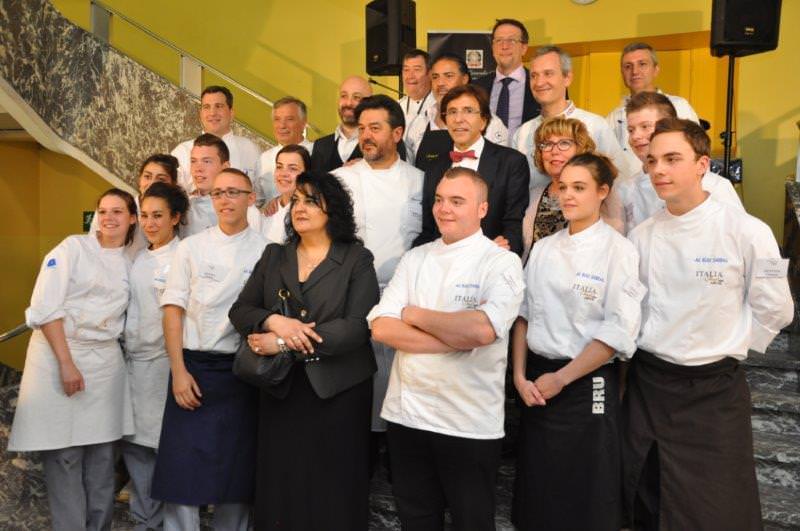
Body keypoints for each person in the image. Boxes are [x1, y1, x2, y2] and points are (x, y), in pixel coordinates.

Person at [623, 118, 793, 530]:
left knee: (718, 503)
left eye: (672, 159)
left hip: (714, 390)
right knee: (650, 492)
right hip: (651, 385)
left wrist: (729, 341)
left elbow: (777, 308)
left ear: (702, 165)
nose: (659, 169)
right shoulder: (641, 236)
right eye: (652, 161)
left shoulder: (748, 230)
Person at [369, 168, 524, 530]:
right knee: (416, 519)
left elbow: (482, 330)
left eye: (457, 201)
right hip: (407, 415)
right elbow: (381, 327)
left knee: (473, 522)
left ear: (482, 209)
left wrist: (414, 314)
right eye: (439, 200)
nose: (444, 209)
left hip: (468, 423)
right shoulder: (416, 258)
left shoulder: (501, 262)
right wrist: (454, 339)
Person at [229, 172, 380, 530]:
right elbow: (241, 310)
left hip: (338, 389)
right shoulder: (274, 255)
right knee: (282, 481)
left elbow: (356, 327)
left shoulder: (357, 258)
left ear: (333, 209)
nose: (300, 207)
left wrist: (283, 342)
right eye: (296, 200)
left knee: (333, 485)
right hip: (281, 388)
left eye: (311, 200)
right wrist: (273, 321)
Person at [511, 153, 644, 531]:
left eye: (579, 188)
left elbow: (618, 330)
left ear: (602, 192)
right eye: (563, 187)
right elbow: (523, 315)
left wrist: (563, 378)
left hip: (587, 381)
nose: (567, 195)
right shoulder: (544, 248)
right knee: (540, 487)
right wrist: (519, 377)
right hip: (537, 383)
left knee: (588, 487)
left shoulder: (619, 251)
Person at [8, 188, 138, 531]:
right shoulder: (72, 249)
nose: (108, 218)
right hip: (58, 354)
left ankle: (99, 526)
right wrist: (67, 364)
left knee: (102, 456)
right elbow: (46, 308)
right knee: (64, 456)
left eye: (117, 211)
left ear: (132, 218)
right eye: (103, 211)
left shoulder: (131, 262)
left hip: (105, 360)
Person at [151, 168, 267, 530]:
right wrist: (178, 371)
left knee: (235, 474)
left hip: (242, 372)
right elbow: (173, 311)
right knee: (183, 472)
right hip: (194, 368)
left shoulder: (268, 251)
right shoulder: (191, 247)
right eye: (218, 193)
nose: (224, 200)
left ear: (251, 198)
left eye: (233, 192)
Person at [331, 94, 422, 463]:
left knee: (398, 383)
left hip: (402, 300)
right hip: (349, 297)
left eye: (375, 128)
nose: (366, 135)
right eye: (362, 128)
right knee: (356, 384)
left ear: (397, 134)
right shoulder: (340, 180)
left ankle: (397, 457)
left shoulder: (420, 181)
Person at [122, 182, 189, 531]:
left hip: (166, 363)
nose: (149, 223)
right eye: (145, 215)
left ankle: (171, 522)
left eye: (158, 216)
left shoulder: (184, 256)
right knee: (136, 447)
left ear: (175, 218)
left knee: (167, 448)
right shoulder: (138, 258)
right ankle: (144, 520)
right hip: (134, 363)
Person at [413, 84, 530, 255]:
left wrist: (500, 250)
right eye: (452, 112)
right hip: (443, 259)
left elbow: (514, 223)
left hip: (490, 257)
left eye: (468, 111)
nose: (458, 119)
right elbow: (429, 228)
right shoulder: (434, 166)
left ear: (483, 121)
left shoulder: (511, 162)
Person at [613, 91, 743, 233]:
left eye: (645, 127)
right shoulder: (625, 191)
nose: (635, 136)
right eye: (631, 130)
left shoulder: (715, 186)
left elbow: (736, 233)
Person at [512, 46, 633, 188]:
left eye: (548, 74)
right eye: (534, 75)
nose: (539, 82)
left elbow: (620, 182)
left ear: (567, 78)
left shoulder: (595, 126)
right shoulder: (522, 133)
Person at [521, 116, 627, 262]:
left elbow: (613, 247)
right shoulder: (532, 195)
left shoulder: (602, 194)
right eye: (547, 144)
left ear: (580, 148)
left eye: (564, 143)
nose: (554, 151)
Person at [606, 43, 699, 168]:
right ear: (622, 73)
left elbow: (696, 150)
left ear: (656, 70)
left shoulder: (679, 106)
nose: (634, 71)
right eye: (628, 66)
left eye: (642, 64)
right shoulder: (613, 117)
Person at [406, 53, 508, 168]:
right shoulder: (420, 123)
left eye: (448, 76)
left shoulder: (491, 124)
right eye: (435, 77)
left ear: (464, 79)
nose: (440, 83)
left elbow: (502, 168)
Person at [89, 153, 180, 258]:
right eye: (147, 177)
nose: (152, 183)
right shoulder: (114, 206)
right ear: (139, 179)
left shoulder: (177, 212)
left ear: (173, 184)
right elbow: (92, 247)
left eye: (161, 179)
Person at [172, 85, 261, 193]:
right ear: (200, 114)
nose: (212, 113)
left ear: (231, 113)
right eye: (206, 107)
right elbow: (172, 194)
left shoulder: (250, 148)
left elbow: (260, 194)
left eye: (219, 106)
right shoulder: (182, 151)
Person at [182, 133, 266, 237]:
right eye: (193, 161)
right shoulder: (183, 209)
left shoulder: (245, 210)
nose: (198, 168)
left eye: (206, 161)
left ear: (225, 167)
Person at [474, 18, 540, 139]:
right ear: (492, 47)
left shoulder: (541, 85)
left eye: (511, 40)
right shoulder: (475, 87)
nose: (504, 46)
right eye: (499, 41)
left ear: (524, 48)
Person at [253, 97, 314, 206]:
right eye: (277, 119)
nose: (282, 126)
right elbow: (257, 201)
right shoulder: (264, 159)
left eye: (289, 119)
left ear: (304, 123)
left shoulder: (317, 153)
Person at [310, 76, 372, 172]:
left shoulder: (381, 144)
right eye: (343, 96)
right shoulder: (320, 146)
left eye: (356, 97)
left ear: (370, 103)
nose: (348, 103)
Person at [262, 144, 311, 244]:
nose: (283, 174)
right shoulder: (268, 211)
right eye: (279, 167)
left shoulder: (309, 215)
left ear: (307, 174)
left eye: (293, 168)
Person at [398, 49, 435, 143]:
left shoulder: (438, 107)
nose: (410, 76)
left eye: (417, 69)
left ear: (430, 74)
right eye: (406, 70)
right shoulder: (396, 106)